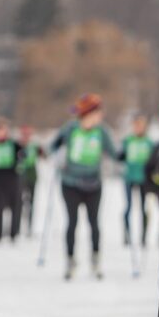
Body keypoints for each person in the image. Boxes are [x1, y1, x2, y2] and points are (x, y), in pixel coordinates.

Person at [49, 93, 118, 280]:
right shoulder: (71, 129)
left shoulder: (102, 131)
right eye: (98, 111)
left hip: (93, 183)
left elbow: (115, 153)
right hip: (70, 183)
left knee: (94, 223)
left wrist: (128, 157)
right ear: (89, 113)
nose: (101, 115)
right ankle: (70, 260)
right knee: (72, 223)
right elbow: (53, 146)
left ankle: (95, 260)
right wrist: (56, 154)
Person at [118, 113, 154, 247]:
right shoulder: (128, 141)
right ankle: (127, 234)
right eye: (136, 125)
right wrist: (120, 155)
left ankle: (144, 236)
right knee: (128, 207)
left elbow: (152, 160)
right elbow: (120, 154)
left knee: (144, 208)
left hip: (144, 179)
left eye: (141, 125)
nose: (138, 128)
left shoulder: (149, 142)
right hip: (129, 177)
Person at [17, 125, 45, 237]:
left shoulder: (34, 146)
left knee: (31, 203)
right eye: (24, 134)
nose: (26, 137)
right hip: (20, 175)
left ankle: (29, 227)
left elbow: (43, 155)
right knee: (20, 203)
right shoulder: (17, 145)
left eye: (28, 135)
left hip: (32, 175)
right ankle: (18, 227)